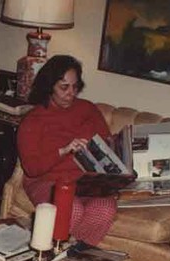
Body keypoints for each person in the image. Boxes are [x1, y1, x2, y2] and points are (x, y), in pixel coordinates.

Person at [17, 55, 117, 246]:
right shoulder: (33, 120)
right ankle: (51, 250)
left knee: (106, 209)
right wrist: (63, 150)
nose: (71, 93)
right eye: (64, 87)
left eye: (75, 86)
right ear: (49, 86)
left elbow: (107, 145)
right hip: (48, 181)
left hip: (85, 181)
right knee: (71, 209)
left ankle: (73, 253)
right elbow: (31, 168)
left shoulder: (88, 109)